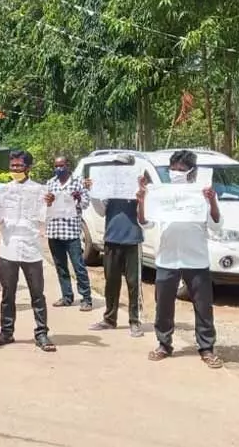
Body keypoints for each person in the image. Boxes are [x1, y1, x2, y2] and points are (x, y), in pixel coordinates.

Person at [138, 150, 224, 369]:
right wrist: (142, 200)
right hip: (167, 258)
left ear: (192, 172)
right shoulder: (161, 194)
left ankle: (206, 347)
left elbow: (216, 224)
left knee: (203, 306)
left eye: (182, 170)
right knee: (164, 305)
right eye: (173, 169)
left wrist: (212, 201)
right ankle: (164, 344)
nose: (176, 173)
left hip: (196, 259)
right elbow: (145, 222)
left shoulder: (202, 194)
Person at [0, 150, 55, 351]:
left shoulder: (40, 190)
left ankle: (41, 333)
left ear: (28, 168)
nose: (15, 169)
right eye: (13, 166)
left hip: (31, 248)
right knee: (8, 293)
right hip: (9, 248)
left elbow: (46, 217)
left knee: (37, 293)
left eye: (19, 166)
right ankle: (6, 332)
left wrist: (49, 203)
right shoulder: (4, 189)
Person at [89, 154, 145, 337]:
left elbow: (144, 215)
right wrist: (94, 192)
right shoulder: (108, 189)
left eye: (121, 166)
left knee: (133, 283)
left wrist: (141, 195)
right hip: (112, 238)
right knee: (111, 281)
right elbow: (101, 210)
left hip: (132, 240)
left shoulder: (140, 188)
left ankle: (135, 321)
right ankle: (109, 319)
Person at [45, 155, 94, 311]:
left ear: (68, 165)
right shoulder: (50, 183)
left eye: (62, 165)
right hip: (54, 230)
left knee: (78, 265)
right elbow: (43, 205)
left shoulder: (78, 182)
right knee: (60, 266)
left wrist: (79, 198)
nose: (59, 169)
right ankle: (67, 296)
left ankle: (86, 298)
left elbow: (86, 204)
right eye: (56, 166)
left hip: (71, 232)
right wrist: (48, 201)